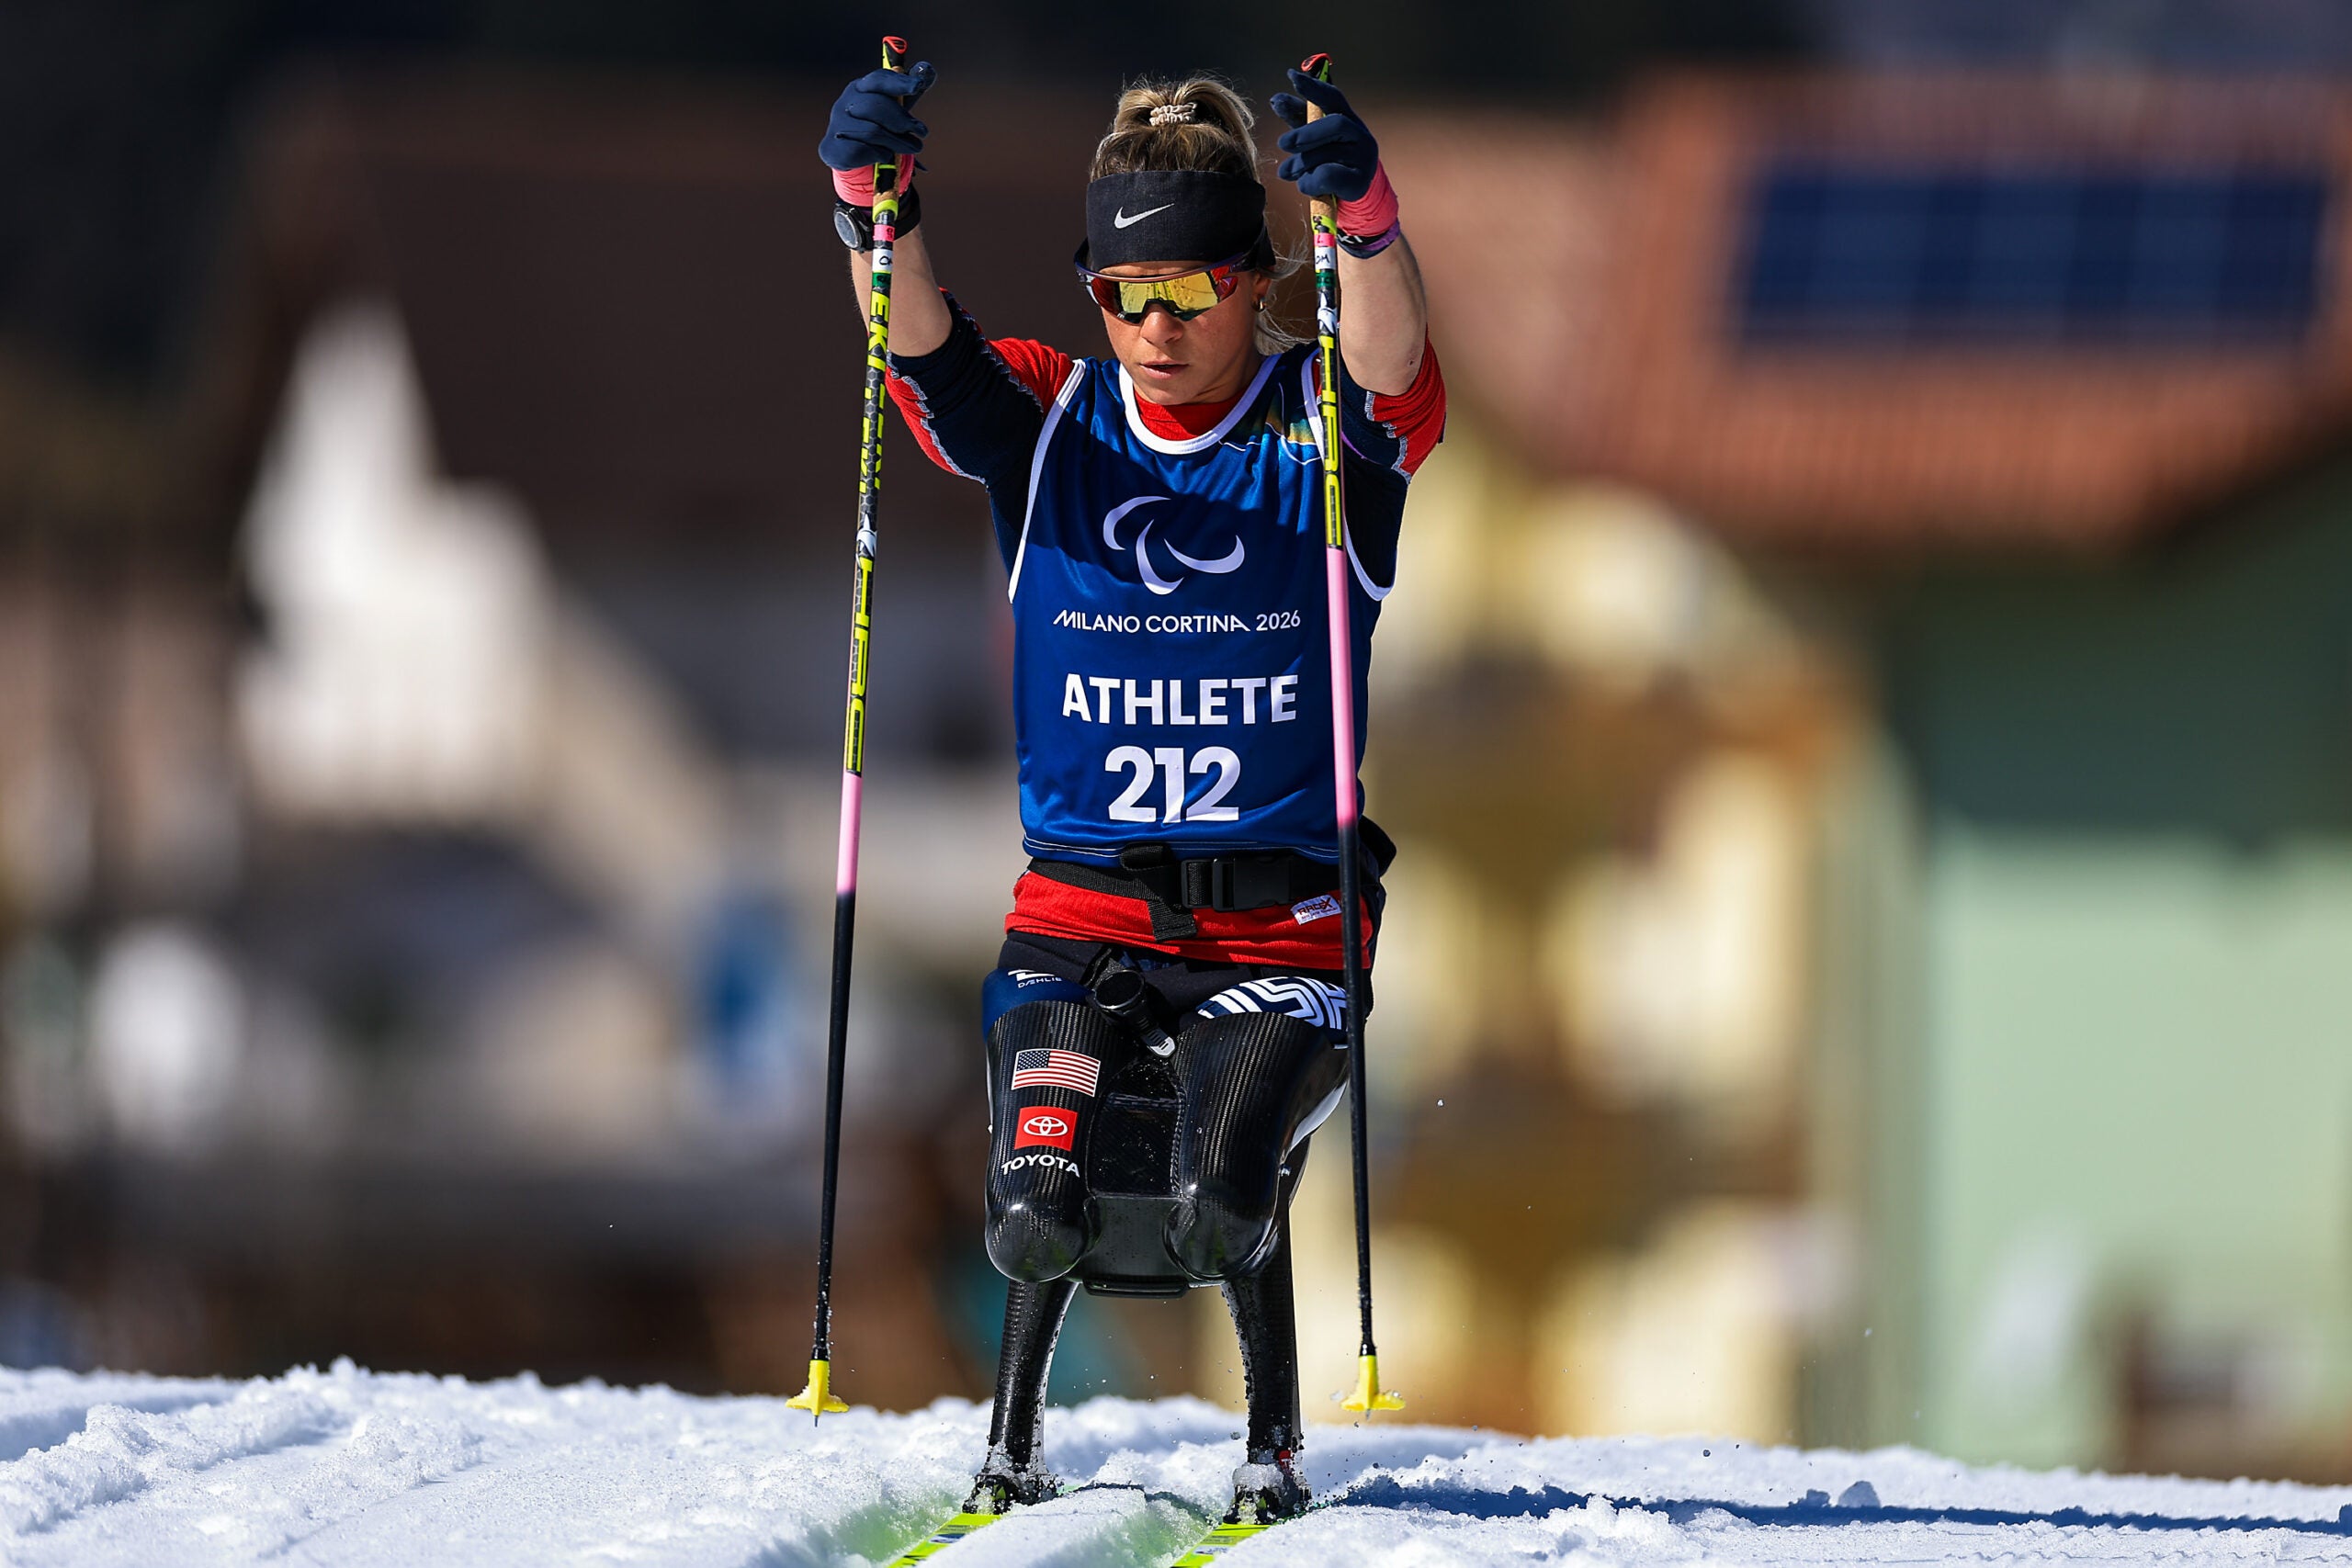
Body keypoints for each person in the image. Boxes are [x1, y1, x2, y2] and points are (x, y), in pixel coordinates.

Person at [820, 56, 1444, 1525]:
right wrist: (872, 213)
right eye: (1124, 295)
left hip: (1279, 932)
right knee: (1036, 1215)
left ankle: (1273, 1441)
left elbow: (1400, 367)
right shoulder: (1054, 425)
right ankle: (1013, 1440)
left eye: (1191, 292)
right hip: (1082, 919)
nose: (1156, 329)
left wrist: (1364, 219)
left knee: (1218, 1195)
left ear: (1256, 280)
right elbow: (917, 349)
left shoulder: (1321, 430)